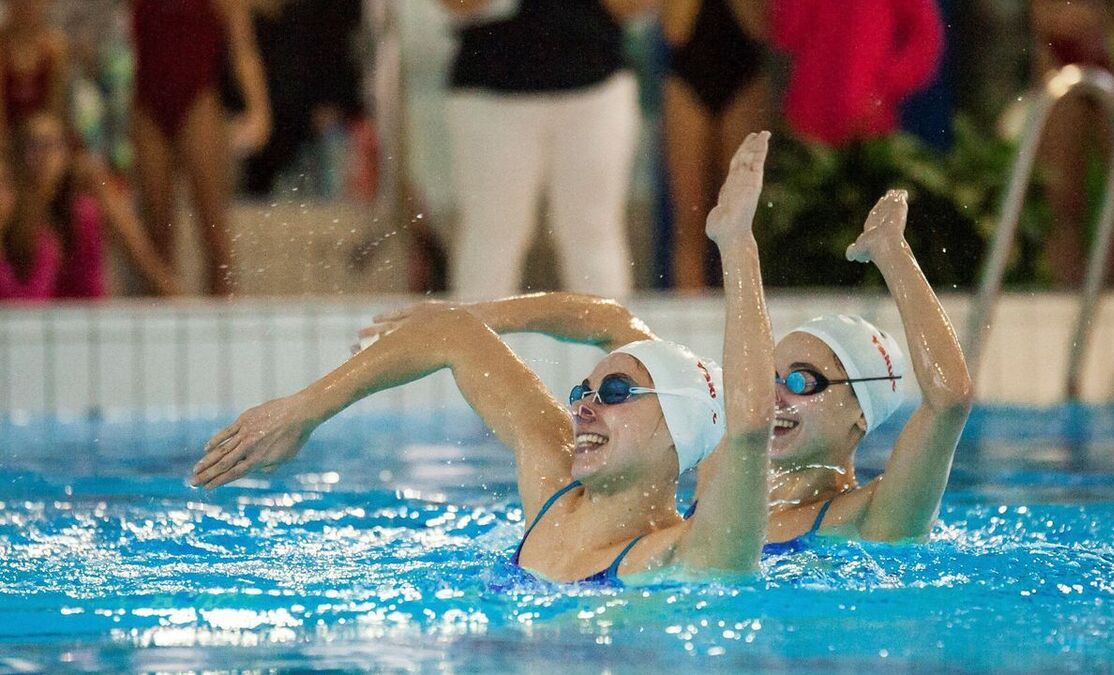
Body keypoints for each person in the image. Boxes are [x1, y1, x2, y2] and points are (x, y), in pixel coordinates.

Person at [191, 132, 776, 585]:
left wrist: (735, 244)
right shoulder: (553, 485)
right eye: (585, 392)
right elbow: (452, 332)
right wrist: (304, 411)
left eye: (617, 394)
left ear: (680, 434)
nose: (587, 408)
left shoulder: (692, 554)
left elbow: (749, 426)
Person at [362, 190, 972, 548]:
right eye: (765, 374)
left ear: (859, 417)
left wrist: (893, 252)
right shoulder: (710, 457)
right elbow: (610, 323)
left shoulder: (874, 517)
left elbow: (948, 401)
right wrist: (473, 317)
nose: (771, 395)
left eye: (801, 382)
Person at [439, 0, 649, 299]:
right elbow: (456, 5)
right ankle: (474, 344)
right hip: (491, 93)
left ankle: (612, 343)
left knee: (593, 233)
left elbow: (634, 7)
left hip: (595, 86)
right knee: (492, 235)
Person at [129, 0, 271, 295]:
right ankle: (158, 329)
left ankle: (223, 328)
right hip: (147, 106)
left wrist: (259, 111)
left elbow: (243, 51)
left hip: (197, 102)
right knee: (157, 236)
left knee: (214, 231)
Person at [0, 111, 178, 300]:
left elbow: (91, 291)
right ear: (17, 154)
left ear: (67, 154)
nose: (44, 155)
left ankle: (166, 285)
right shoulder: (10, 210)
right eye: (34, 145)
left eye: (53, 145)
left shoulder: (82, 214)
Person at [662, 0, 769, 289]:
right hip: (688, 81)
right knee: (690, 220)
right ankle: (688, 319)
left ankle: (744, 315)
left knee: (744, 220)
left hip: (743, 81)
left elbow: (759, 28)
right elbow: (675, 30)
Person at [769, 0, 942, 146]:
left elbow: (925, 37)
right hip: (809, 117)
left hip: (865, 119)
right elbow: (787, 33)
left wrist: (887, 85)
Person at [0, 0, 69, 153]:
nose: (28, 5)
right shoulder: (3, 47)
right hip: (7, 139)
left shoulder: (54, 48)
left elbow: (54, 112)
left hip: (39, 139)